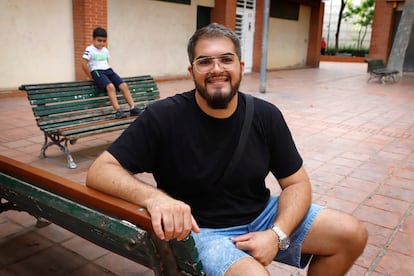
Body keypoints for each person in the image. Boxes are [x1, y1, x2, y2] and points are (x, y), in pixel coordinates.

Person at [86, 23, 367, 276]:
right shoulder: (163, 116)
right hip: (201, 231)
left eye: (226, 59)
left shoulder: (265, 116)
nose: (216, 69)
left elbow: (297, 183)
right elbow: (100, 171)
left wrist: (276, 234)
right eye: (205, 61)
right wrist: (155, 199)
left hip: (263, 216)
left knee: (351, 234)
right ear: (191, 70)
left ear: (240, 67)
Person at [82, 27, 141, 119]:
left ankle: (133, 108)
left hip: (108, 70)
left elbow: (106, 62)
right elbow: (83, 63)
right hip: (97, 71)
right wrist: (90, 76)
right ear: (93, 39)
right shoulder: (89, 49)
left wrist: (109, 74)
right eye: (99, 40)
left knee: (124, 85)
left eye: (104, 41)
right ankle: (118, 110)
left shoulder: (105, 50)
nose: (101, 43)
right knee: (110, 87)